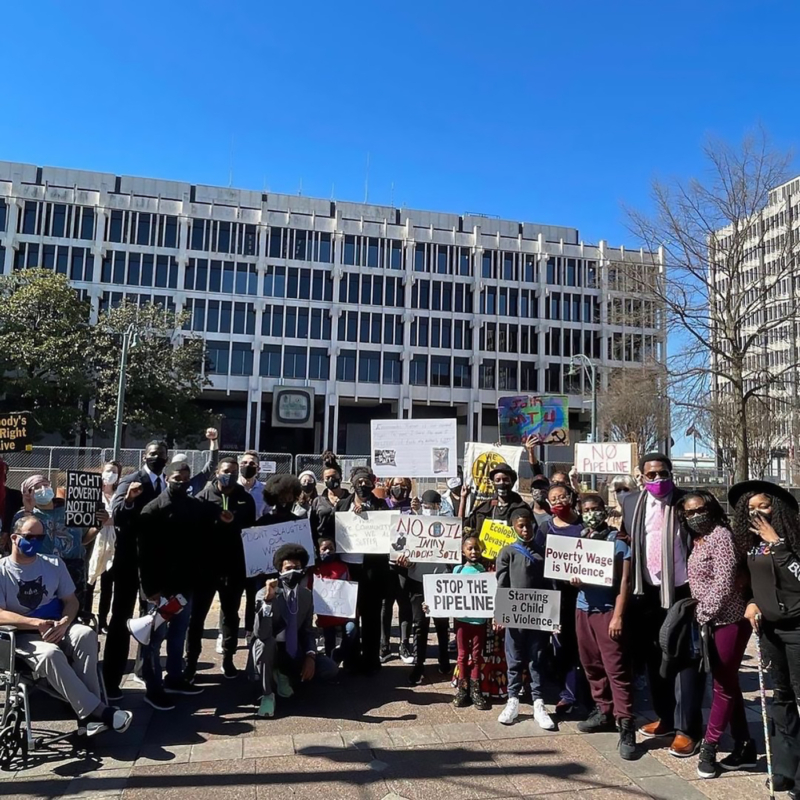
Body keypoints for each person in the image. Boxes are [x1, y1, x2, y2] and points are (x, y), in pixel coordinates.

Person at [0, 515, 132, 736]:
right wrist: (35, 623)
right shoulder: (2, 570)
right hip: (22, 635)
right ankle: (98, 712)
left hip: (59, 626)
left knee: (86, 634)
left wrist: (65, 622)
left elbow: (71, 602)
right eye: (30, 537)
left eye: (40, 538)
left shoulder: (53, 563)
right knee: (50, 654)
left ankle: (87, 717)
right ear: (14, 538)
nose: (35, 542)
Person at [620, 453, 702, 757]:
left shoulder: (688, 502)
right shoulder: (630, 502)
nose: (657, 480)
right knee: (654, 659)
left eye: (663, 473)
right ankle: (665, 718)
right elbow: (628, 538)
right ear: (641, 477)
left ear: (672, 473)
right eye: (651, 475)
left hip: (681, 593)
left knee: (684, 662)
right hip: (647, 594)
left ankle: (687, 729)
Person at [730, 480, 800, 794]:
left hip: (798, 628)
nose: (758, 513)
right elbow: (749, 583)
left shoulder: (792, 537)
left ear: (778, 507)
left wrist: (780, 544)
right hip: (769, 629)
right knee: (781, 697)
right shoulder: (750, 543)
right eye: (751, 508)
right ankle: (786, 767)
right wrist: (751, 603)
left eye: (765, 505)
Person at [676, 490, 752, 779]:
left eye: (700, 510)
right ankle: (744, 744)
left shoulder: (720, 536)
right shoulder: (699, 540)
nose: (696, 516)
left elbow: (725, 579)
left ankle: (709, 746)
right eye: (689, 512)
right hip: (711, 621)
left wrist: (703, 613)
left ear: (711, 508)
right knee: (729, 683)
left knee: (721, 685)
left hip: (728, 619)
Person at [137, 461, 213, 709]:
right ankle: (153, 688)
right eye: (177, 478)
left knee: (179, 633)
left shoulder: (194, 507)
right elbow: (144, 554)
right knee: (154, 639)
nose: (182, 482)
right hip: (160, 588)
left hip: (185, 584)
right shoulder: (153, 509)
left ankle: (175, 678)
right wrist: (150, 591)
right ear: (168, 478)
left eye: (186, 478)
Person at [572, 494, 638, 761]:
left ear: (604, 511)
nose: (591, 513)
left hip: (608, 612)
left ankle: (626, 724)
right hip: (582, 609)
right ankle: (604, 711)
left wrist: (618, 616)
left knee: (616, 670)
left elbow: (625, 583)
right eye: (586, 510)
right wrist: (573, 580)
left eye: (595, 509)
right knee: (591, 665)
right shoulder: (580, 539)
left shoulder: (618, 543)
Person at [103, 440, 170, 701]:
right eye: (153, 454)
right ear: (145, 455)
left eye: (162, 455)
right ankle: (111, 679)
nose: (157, 458)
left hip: (155, 565)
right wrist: (129, 500)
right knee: (121, 620)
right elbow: (117, 514)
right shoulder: (131, 479)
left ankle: (145, 672)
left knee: (152, 620)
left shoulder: (166, 483)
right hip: (130, 563)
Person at [248, 543, 338, 719]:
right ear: (280, 570)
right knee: (266, 643)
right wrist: (267, 602)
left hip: (293, 647)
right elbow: (262, 634)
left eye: (297, 568)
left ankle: (285, 675)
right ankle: (267, 694)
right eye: (288, 568)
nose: (293, 572)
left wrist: (310, 656)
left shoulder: (306, 595)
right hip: (270, 648)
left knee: (330, 668)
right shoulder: (264, 594)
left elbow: (307, 630)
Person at [188, 458, 256, 681]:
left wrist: (234, 523)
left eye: (235, 472)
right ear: (217, 472)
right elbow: (194, 532)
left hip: (233, 568)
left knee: (230, 616)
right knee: (196, 617)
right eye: (227, 471)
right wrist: (217, 523)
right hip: (205, 569)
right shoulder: (202, 499)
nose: (231, 475)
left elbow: (250, 532)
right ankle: (191, 662)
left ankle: (228, 658)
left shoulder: (245, 499)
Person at [495, 507, 555, 730]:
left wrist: (553, 617)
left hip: (538, 616)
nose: (525, 529)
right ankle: (513, 700)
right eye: (520, 525)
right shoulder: (507, 552)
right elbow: (502, 584)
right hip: (513, 614)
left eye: (529, 525)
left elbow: (551, 586)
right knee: (514, 657)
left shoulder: (543, 553)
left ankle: (538, 702)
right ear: (514, 528)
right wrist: (499, 613)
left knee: (536, 657)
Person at [335, 466, 389, 674]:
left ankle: (371, 659)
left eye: (367, 482)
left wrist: (370, 513)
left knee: (371, 616)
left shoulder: (381, 506)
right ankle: (351, 658)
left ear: (373, 484)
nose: (363, 486)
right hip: (348, 568)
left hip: (372, 571)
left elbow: (387, 527)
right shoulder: (342, 505)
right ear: (353, 483)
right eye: (360, 482)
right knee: (349, 617)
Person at [540, 482, 587, 715]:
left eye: (562, 497)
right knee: (562, 648)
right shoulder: (545, 528)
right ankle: (567, 694)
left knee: (584, 648)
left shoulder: (584, 526)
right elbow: (536, 558)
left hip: (583, 596)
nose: (558, 501)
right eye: (553, 498)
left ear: (570, 497)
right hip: (556, 597)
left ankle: (588, 695)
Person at [15, 475, 87, 611]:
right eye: (36, 487)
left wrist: (98, 526)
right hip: (42, 568)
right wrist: (29, 510)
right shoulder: (22, 515)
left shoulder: (71, 510)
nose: (43, 489)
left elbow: (82, 539)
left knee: (72, 608)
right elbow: (22, 543)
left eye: (46, 485)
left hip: (72, 567)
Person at [402, 490, 450, 684]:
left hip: (441, 580)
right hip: (417, 580)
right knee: (420, 625)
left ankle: (444, 658)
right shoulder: (414, 524)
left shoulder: (448, 525)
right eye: (427, 507)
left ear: (440, 506)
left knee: (441, 624)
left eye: (433, 506)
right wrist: (406, 562)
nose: (430, 510)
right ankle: (419, 664)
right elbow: (402, 551)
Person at [452, 535, 490, 710]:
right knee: (462, 654)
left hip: (479, 621)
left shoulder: (484, 571)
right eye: (470, 548)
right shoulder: (458, 571)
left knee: (476, 656)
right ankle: (462, 688)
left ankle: (476, 690)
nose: (473, 551)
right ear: (463, 551)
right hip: (461, 620)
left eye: (476, 548)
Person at [83, 461, 120, 631]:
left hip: (113, 543)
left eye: (114, 471)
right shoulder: (93, 494)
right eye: (108, 471)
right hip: (94, 541)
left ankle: (103, 620)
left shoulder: (119, 495)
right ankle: (86, 616)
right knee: (89, 581)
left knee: (107, 584)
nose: (110, 474)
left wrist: (110, 521)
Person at [381, 477, 414, 664]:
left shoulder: (413, 507)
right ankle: (384, 645)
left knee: (404, 603)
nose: (399, 488)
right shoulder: (381, 505)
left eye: (403, 486)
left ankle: (404, 644)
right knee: (385, 604)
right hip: (385, 563)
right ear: (389, 486)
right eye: (396, 485)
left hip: (405, 564)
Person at [312, 537, 358, 665]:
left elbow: (349, 588)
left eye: (331, 549)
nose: (328, 551)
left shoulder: (342, 567)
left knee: (351, 629)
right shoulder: (315, 570)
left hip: (343, 613)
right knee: (329, 641)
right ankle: (331, 666)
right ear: (318, 551)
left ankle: (340, 653)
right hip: (325, 615)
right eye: (324, 549)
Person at [465, 463, 529, 537]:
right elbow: (465, 528)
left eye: (505, 480)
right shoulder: (483, 510)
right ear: (493, 484)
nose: (501, 483)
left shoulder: (523, 510)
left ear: (512, 482)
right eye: (498, 480)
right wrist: (463, 499)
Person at [309, 452, 349, 543]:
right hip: (324, 546)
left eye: (334, 476)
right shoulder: (317, 501)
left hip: (345, 545)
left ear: (340, 478)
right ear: (323, 480)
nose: (331, 480)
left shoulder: (350, 499)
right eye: (327, 478)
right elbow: (312, 526)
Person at [173, 427, 220, 497]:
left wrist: (213, 440)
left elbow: (212, 463)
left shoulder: (195, 482)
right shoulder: (166, 482)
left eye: (183, 467)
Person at [238, 450, 268, 518]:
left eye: (252, 464)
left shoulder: (265, 491)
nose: (247, 465)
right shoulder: (231, 488)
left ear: (258, 469)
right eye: (244, 463)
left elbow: (267, 514)